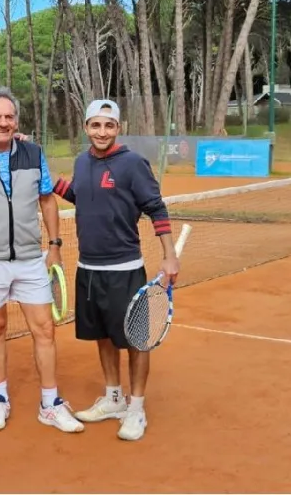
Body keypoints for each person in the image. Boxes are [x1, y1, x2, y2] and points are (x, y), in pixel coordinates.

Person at [51, 100, 181, 441]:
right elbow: (83, 196)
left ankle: (135, 408)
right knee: (104, 337)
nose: (102, 132)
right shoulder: (81, 162)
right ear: (86, 127)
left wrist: (169, 257)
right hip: (88, 269)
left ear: (118, 128)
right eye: (96, 125)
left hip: (124, 269)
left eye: (108, 126)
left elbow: (156, 208)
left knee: (137, 341)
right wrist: (52, 182)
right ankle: (113, 398)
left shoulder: (133, 164)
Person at [0, 87, 84, 434]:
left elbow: (47, 200)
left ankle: (50, 403)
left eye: (9, 117)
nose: (3, 123)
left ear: (17, 120)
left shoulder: (33, 152)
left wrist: (55, 244)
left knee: (44, 329)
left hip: (31, 257)